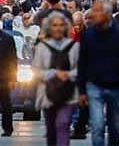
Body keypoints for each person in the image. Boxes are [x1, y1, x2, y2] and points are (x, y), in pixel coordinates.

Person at [77, 0, 119, 146]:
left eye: (97, 11)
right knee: (97, 126)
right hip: (94, 85)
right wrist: (82, 91)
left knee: (115, 127)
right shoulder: (88, 35)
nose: (93, 14)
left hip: (115, 85)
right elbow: (82, 63)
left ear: (107, 13)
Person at [33, 11, 80, 146]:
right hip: (48, 94)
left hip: (68, 94)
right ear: (50, 27)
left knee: (63, 124)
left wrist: (68, 75)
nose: (58, 28)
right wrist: (53, 73)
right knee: (52, 130)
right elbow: (36, 71)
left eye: (61, 25)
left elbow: (81, 69)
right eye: (55, 25)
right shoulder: (42, 47)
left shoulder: (74, 47)